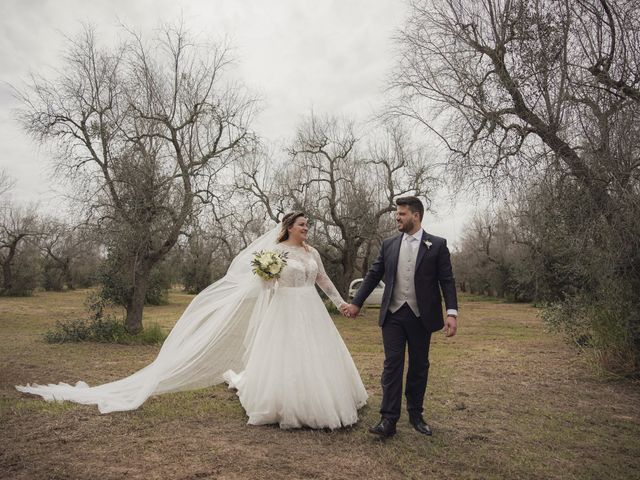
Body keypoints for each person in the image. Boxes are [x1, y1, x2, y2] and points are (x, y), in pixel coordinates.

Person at [17, 213, 367, 430]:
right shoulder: (275, 254)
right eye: (303, 224)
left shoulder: (312, 253)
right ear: (289, 227)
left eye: (308, 225)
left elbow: (323, 281)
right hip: (284, 311)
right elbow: (263, 285)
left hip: (311, 310)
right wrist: (267, 277)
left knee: (315, 357)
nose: (307, 229)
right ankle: (283, 404)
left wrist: (340, 304)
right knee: (285, 357)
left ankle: (323, 400)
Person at [343, 196, 458, 438]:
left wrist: (451, 312)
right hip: (393, 315)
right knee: (392, 365)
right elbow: (373, 275)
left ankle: (416, 414)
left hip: (421, 316)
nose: (397, 217)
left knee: (419, 366)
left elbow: (446, 281)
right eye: (397, 213)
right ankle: (388, 419)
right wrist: (356, 303)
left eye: (402, 213)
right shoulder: (389, 244)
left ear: (416, 216)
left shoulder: (437, 245)